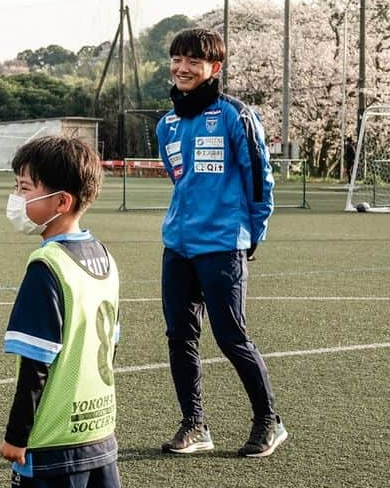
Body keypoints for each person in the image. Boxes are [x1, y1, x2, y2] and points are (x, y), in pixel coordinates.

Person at [156, 28, 286, 458]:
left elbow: (259, 178)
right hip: (178, 244)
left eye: (194, 61)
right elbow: (179, 180)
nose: (183, 68)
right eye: (177, 59)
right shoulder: (167, 124)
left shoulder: (235, 115)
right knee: (180, 336)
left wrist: (253, 234)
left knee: (231, 337)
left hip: (223, 245)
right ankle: (194, 425)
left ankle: (269, 421)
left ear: (215, 68)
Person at [0, 135, 121, 488]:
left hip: (54, 443)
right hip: (100, 433)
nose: (16, 198)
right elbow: (111, 348)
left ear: (61, 201)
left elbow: (37, 365)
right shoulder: (105, 257)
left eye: (24, 189)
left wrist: (17, 436)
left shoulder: (47, 266)